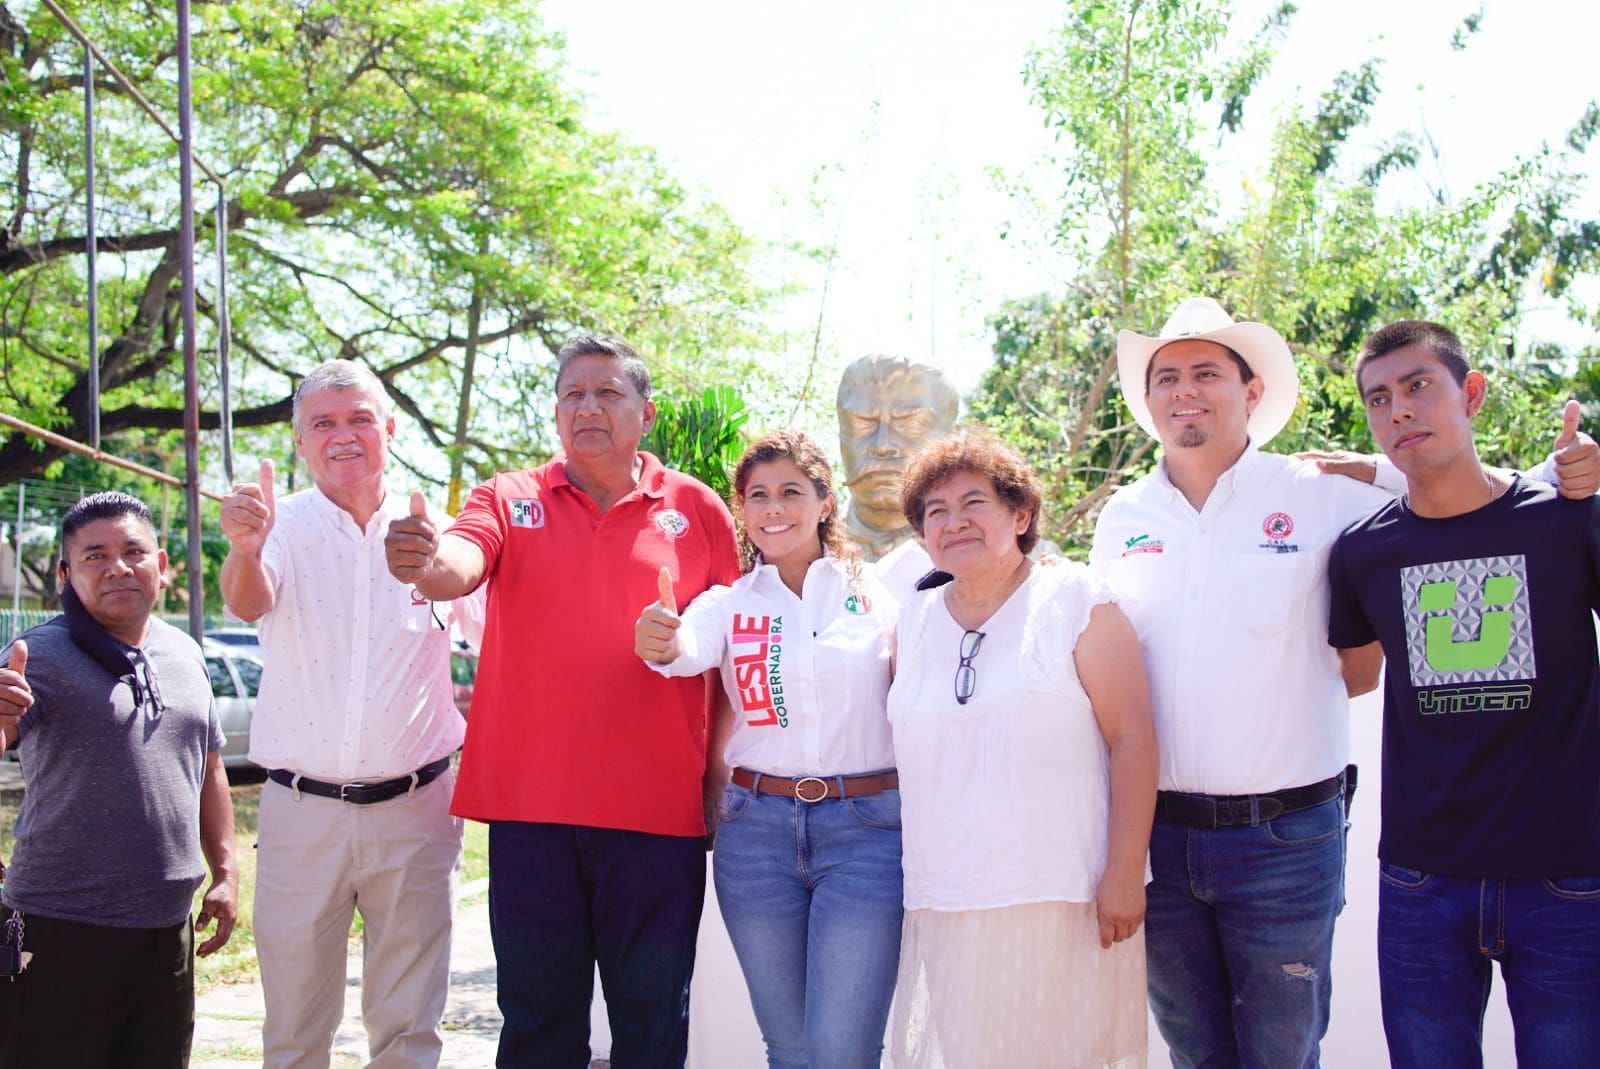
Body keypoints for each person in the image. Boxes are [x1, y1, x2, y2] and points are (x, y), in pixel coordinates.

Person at [1088, 296, 1598, 1069]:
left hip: (1288, 841)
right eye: (1166, 377)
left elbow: (1457, 487)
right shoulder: (1120, 517)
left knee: (1287, 1053)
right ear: (1149, 398)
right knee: (1195, 1052)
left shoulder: (1323, 491)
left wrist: (1569, 471)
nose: (1184, 390)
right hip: (1163, 840)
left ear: (1251, 392)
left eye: (1206, 372)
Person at [385, 334, 741, 1068]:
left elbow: (728, 657)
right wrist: (426, 562)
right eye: (573, 393)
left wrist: (716, 783)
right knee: (539, 1026)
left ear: (645, 413)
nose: (588, 406)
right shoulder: (510, 497)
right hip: (531, 815)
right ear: (555, 412)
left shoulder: (697, 510)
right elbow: (460, 560)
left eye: (607, 392)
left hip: (657, 817)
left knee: (652, 1026)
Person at [1327, 320, 1600, 1068]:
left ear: (1471, 393)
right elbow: (1354, 676)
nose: (1399, 412)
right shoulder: (1361, 552)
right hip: (1423, 880)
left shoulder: (1569, 519)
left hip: (1569, 875)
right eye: (1380, 399)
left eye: (1419, 387)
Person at [220, 359, 472, 1068]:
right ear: (301, 442)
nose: (344, 435)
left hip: (418, 810)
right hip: (302, 813)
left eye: (361, 417)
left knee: (408, 1031)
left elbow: (498, 631)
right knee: (296, 1031)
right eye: (323, 423)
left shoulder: (437, 532)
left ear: (390, 428)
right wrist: (244, 545)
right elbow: (246, 599)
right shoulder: (277, 527)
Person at [887, 431, 1157, 1068]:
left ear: (1021, 513)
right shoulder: (911, 622)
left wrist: (1124, 872)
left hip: (1061, 895)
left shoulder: (1078, 602)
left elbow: (1134, 738)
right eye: (936, 511)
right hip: (946, 897)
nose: (954, 522)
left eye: (973, 503)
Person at [634, 430, 901, 1069]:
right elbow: (681, 651)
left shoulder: (882, 593)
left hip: (866, 835)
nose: (773, 509)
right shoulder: (726, 605)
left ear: (825, 503)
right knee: (788, 1048)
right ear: (742, 512)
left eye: (790, 492)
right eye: (758, 496)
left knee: (843, 1051)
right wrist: (661, 638)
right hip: (756, 837)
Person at [0, 491, 236, 1068]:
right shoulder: (39, 655)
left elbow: (207, 766)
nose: (118, 567)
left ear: (162, 563)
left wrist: (226, 871)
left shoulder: (184, 653)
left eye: (133, 551)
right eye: (95, 555)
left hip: (165, 927)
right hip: (60, 927)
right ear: (65, 573)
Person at [837, 355, 960, 597]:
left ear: (952, 440)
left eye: (908, 424)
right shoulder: (794, 556)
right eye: (863, 423)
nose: (882, 446)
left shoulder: (1017, 565)